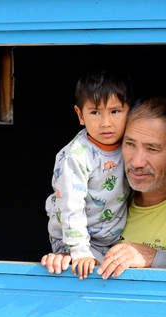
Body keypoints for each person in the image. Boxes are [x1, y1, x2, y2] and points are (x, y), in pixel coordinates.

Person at [42, 97, 166, 279]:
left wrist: (152, 258)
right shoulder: (107, 193)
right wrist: (70, 260)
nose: (136, 162)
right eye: (129, 144)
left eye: (152, 149)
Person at [42, 69, 133, 279]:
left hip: (110, 238)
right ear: (80, 115)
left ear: (129, 111)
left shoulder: (129, 144)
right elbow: (70, 205)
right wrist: (79, 251)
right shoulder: (76, 156)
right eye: (95, 112)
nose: (106, 123)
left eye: (115, 111)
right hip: (74, 239)